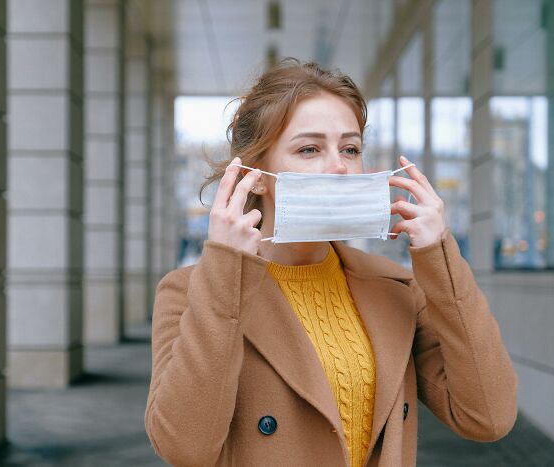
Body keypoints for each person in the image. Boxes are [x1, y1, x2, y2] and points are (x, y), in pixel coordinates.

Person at [144, 59, 517, 467]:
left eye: (351, 149)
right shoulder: (189, 291)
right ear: (258, 175)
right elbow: (184, 447)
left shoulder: (396, 287)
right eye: (309, 149)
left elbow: (489, 418)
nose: (339, 167)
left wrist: (439, 257)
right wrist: (225, 270)